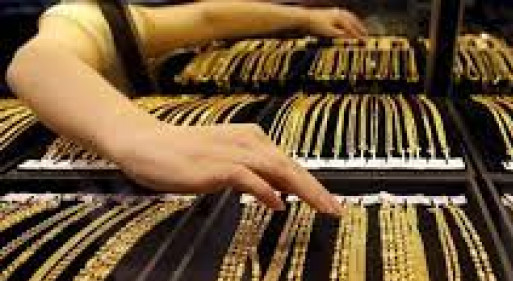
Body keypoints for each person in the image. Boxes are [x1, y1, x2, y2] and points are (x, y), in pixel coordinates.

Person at [7, 1, 368, 215]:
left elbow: (206, 18)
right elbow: (37, 61)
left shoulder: (120, 18)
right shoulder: (81, 15)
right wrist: (138, 134)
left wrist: (304, 18)